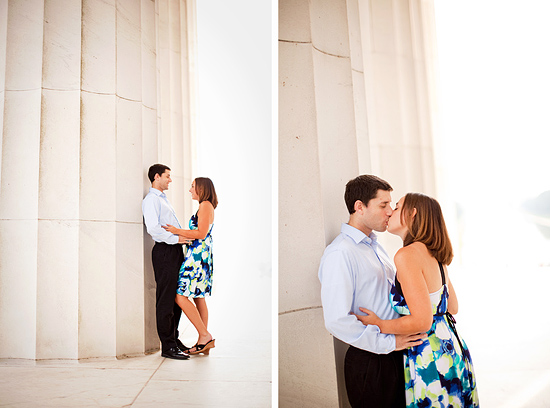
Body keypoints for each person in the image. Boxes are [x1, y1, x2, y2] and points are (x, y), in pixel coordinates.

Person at [356, 193, 479, 407]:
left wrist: (380, 324)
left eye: (397, 206)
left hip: (429, 355)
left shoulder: (407, 255)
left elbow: (423, 321)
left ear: (412, 214)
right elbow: (452, 306)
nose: (391, 211)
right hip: (452, 347)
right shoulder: (435, 254)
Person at [318, 175, 427, 408]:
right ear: (360, 207)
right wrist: (388, 343)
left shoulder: (376, 247)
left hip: (396, 354)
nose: (390, 211)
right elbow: (336, 320)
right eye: (383, 205)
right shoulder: (340, 253)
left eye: (391, 204)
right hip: (372, 361)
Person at [163, 177, 217, 355]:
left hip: (197, 258)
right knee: (199, 297)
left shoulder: (205, 205)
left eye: (193, 186)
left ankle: (204, 335)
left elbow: (200, 233)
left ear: (201, 188)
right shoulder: (206, 206)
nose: (190, 190)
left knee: (180, 296)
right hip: (201, 256)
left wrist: (177, 231)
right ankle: (203, 340)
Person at [142, 164, 190, 360]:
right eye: (167, 176)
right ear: (156, 177)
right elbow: (153, 228)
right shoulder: (151, 200)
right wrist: (177, 239)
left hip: (175, 251)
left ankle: (174, 339)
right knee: (165, 300)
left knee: (177, 300)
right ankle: (167, 347)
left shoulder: (163, 199)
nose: (170, 180)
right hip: (164, 252)